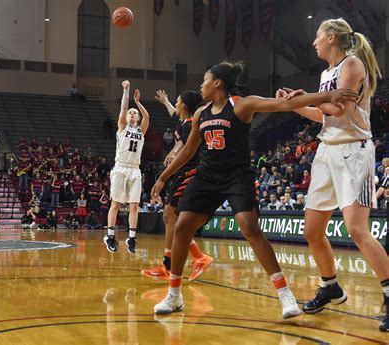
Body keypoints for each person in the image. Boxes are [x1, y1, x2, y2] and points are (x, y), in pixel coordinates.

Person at [150, 61, 357, 317]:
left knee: (249, 226)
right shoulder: (201, 114)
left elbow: (284, 104)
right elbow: (188, 151)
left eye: (204, 80)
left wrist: (328, 95)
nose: (200, 85)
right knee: (181, 227)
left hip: (237, 175)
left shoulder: (242, 104)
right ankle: (174, 296)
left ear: (217, 83)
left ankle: (285, 295)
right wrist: (163, 177)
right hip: (207, 176)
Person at [276, 17, 389, 331]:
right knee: (312, 231)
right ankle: (330, 286)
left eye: (317, 36)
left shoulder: (352, 66)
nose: (314, 42)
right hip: (327, 151)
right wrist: (298, 105)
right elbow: (323, 115)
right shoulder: (327, 73)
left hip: (354, 152)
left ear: (331, 38)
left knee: (356, 229)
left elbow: (338, 109)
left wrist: (306, 98)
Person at [142, 90, 213, 282]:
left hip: (189, 172)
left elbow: (183, 144)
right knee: (174, 221)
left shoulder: (190, 125)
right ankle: (198, 258)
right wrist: (165, 101)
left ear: (184, 106)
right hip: (183, 173)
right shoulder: (182, 120)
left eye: (177, 100)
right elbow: (174, 112)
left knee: (169, 216)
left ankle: (168, 265)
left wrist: (173, 152)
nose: (176, 103)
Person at [103, 80, 149, 254]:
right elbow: (123, 109)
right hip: (121, 167)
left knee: (134, 206)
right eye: (130, 113)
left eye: (134, 113)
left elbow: (148, 118)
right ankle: (110, 236)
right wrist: (126, 92)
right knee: (115, 204)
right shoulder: (122, 127)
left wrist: (138, 103)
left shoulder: (141, 130)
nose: (131, 114)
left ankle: (131, 238)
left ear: (137, 118)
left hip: (135, 169)